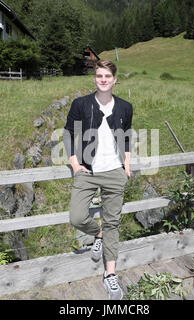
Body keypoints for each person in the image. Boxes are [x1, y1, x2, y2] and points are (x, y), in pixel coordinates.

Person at [63, 60, 133, 300]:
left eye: (107, 76)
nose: (103, 79)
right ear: (95, 79)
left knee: (114, 222)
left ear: (115, 79)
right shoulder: (81, 104)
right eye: (99, 75)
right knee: (77, 216)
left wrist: (127, 164)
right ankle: (99, 233)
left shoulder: (125, 107)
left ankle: (110, 274)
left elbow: (126, 137)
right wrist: (74, 163)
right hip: (88, 171)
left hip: (115, 172)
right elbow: (68, 132)